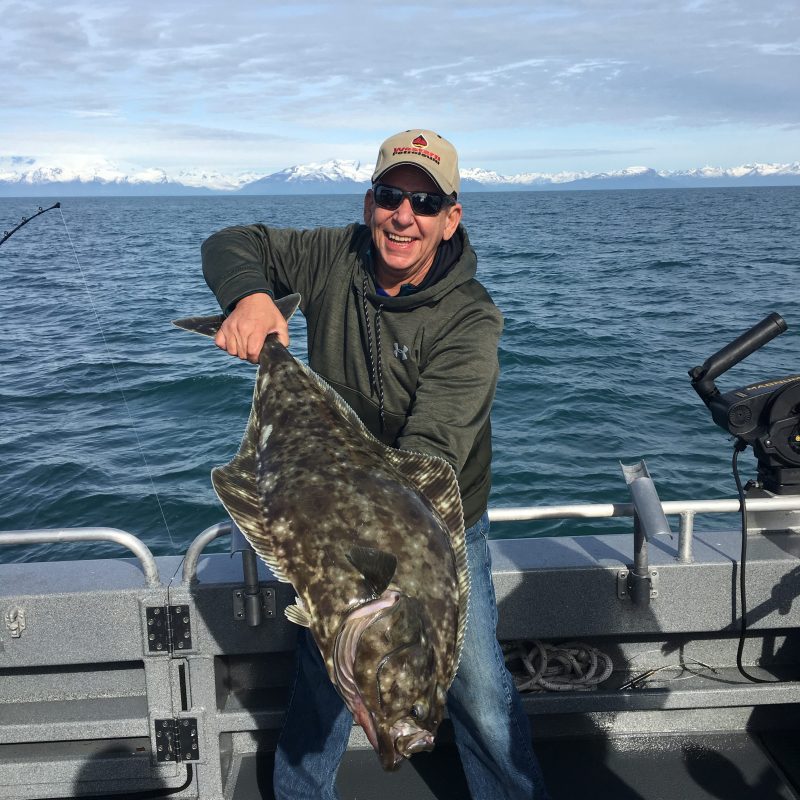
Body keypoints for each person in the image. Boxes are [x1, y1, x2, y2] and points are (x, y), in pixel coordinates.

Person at [201, 129, 550, 800]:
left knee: (479, 688)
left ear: (451, 218)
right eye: (391, 196)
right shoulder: (334, 255)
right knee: (321, 675)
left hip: (435, 531)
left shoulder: (471, 319)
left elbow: (429, 458)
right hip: (332, 515)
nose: (404, 217)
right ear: (370, 204)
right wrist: (249, 298)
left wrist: (346, 582)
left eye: (426, 204)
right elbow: (230, 242)